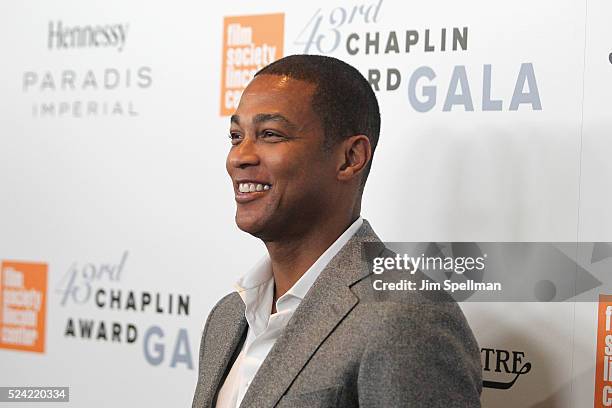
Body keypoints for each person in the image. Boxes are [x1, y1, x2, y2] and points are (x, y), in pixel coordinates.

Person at [192, 54, 482, 408]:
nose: (239, 157)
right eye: (236, 136)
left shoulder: (406, 317)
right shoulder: (227, 317)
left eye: (270, 134)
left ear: (349, 158)